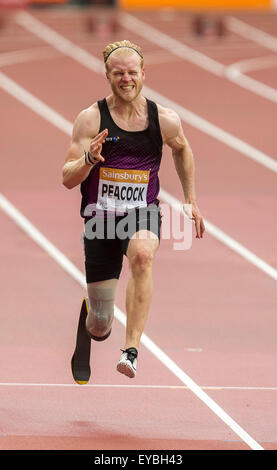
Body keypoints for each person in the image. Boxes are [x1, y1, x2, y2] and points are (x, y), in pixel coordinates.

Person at [63, 40, 205, 380]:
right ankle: (91, 324)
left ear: (143, 74)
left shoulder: (164, 120)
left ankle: (131, 351)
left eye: (131, 73)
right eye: (118, 74)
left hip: (142, 213)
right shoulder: (91, 119)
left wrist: (190, 199)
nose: (126, 79)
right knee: (100, 324)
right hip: (100, 222)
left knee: (143, 255)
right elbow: (67, 178)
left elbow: (182, 149)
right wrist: (87, 160)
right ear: (107, 76)